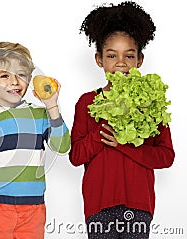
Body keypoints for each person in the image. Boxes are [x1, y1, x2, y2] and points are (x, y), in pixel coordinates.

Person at [69, 2, 175, 238]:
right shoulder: (87, 102)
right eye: (111, 55)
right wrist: (101, 135)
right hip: (99, 204)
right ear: (99, 60)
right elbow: (75, 156)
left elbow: (166, 156)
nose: (120, 62)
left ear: (139, 60)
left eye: (129, 55)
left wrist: (124, 145)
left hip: (139, 205)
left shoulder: (151, 100)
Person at [0, 41, 71, 239]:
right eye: (4, 76)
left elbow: (62, 147)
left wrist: (52, 106)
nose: (15, 81)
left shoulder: (41, 115)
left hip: (34, 209)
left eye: (21, 75)